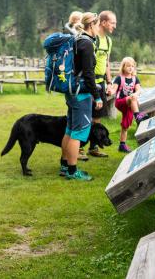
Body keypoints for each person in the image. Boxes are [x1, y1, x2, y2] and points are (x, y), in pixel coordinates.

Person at [60, 12, 103, 181]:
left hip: (72, 92)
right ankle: (72, 171)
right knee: (78, 133)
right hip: (80, 94)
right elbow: (88, 73)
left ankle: (65, 165)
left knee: (70, 130)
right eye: (98, 24)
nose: (99, 28)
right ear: (92, 25)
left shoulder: (79, 40)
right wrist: (97, 96)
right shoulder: (86, 44)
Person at [87, 10, 117, 158]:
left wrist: (110, 83)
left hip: (101, 83)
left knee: (97, 116)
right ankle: (78, 148)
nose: (114, 26)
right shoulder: (93, 38)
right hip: (90, 83)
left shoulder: (109, 41)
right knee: (85, 115)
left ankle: (93, 147)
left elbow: (107, 63)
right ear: (103, 22)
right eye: (112, 23)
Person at [110, 57, 147, 153]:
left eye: (132, 66)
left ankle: (122, 145)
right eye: (128, 66)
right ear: (123, 67)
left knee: (126, 125)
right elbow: (114, 89)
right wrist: (111, 91)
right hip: (121, 102)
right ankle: (138, 116)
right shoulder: (119, 78)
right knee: (132, 98)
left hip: (131, 104)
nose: (131, 68)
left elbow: (139, 90)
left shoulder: (135, 79)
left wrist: (135, 94)